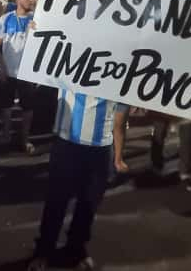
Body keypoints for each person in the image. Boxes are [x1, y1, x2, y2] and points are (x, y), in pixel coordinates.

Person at [28, 91, 128, 271]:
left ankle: (76, 248)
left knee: (88, 203)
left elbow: (120, 117)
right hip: (67, 143)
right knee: (57, 200)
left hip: (100, 147)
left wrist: (118, 156)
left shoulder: (120, 75)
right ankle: (44, 250)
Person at [0, 0, 38, 153]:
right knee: (6, 106)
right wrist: (2, 67)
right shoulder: (6, 19)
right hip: (8, 71)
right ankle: (6, 135)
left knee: (28, 108)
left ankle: (25, 139)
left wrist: (37, 31)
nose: (31, 0)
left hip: (28, 73)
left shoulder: (38, 20)